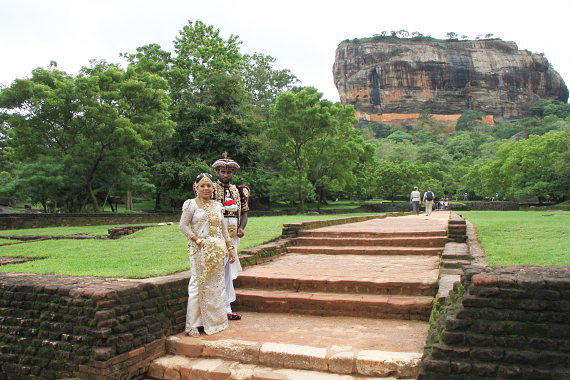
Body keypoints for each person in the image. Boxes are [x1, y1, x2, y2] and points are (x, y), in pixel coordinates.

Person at [179, 173, 236, 337]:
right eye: (202, 185)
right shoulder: (191, 205)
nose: (206, 188)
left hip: (216, 250)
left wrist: (230, 248)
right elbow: (183, 226)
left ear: (213, 188)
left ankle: (213, 321)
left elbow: (223, 229)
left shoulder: (217, 205)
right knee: (198, 284)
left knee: (216, 285)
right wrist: (197, 240)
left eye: (209, 185)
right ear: (196, 187)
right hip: (199, 249)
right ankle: (193, 324)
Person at [211, 153, 250, 321]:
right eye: (222, 172)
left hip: (232, 236)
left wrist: (241, 227)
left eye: (228, 172)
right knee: (215, 269)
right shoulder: (210, 188)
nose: (225, 175)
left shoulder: (239, 191)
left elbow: (245, 213)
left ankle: (227, 305)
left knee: (228, 269)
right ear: (218, 172)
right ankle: (215, 306)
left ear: (233, 173)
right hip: (215, 235)